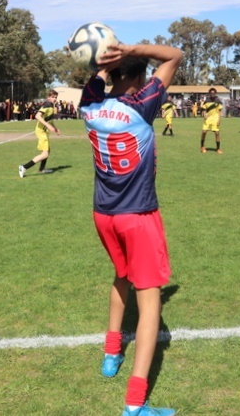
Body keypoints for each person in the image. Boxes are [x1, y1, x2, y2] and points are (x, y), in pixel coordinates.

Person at [79, 41, 183, 416]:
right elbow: (174, 56)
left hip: (103, 214)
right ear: (139, 78)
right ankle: (135, 405)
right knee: (149, 300)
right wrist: (131, 48)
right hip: (137, 214)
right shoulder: (142, 104)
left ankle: (111, 354)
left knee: (121, 276)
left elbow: (96, 82)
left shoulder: (89, 104)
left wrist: (106, 64)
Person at [18, 89, 60, 178]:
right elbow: (37, 116)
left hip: (44, 131)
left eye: (56, 97)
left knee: (47, 151)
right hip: (41, 131)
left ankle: (41, 169)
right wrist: (48, 126)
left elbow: (49, 120)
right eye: (53, 97)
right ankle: (24, 167)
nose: (55, 99)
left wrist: (55, 128)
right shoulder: (47, 105)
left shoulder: (51, 106)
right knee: (45, 154)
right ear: (48, 97)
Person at [200, 87, 223, 154]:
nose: (212, 94)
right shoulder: (206, 101)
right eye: (211, 93)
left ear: (215, 93)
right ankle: (202, 146)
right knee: (204, 132)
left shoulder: (218, 101)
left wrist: (219, 119)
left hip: (215, 118)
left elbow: (219, 111)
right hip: (208, 118)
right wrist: (204, 115)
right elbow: (204, 109)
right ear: (209, 93)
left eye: (213, 92)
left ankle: (218, 149)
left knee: (217, 133)